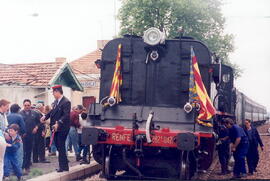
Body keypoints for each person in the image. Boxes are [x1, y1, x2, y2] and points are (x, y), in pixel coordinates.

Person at [41, 85, 71, 172]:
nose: (53, 94)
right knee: (59, 146)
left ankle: (63, 167)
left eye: (53, 92)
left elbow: (66, 115)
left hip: (62, 128)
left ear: (57, 91)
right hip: (55, 127)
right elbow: (51, 112)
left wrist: (59, 123)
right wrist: (45, 117)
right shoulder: (56, 101)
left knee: (60, 146)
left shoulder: (66, 102)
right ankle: (64, 166)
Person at [19, 99, 40, 175]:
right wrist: (21, 133)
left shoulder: (35, 113)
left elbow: (39, 122)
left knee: (28, 151)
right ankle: (22, 167)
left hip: (31, 135)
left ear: (30, 105)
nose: (27, 107)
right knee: (22, 152)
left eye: (28, 105)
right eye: (25, 105)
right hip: (23, 136)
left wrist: (36, 127)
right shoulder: (20, 114)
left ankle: (27, 167)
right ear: (23, 105)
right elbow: (18, 125)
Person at [7, 104, 26, 168]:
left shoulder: (6, 116)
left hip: (8, 136)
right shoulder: (19, 116)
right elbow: (23, 128)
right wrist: (23, 133)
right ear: (17, 110)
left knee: (10, 153)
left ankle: (10, 169)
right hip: (17, 135)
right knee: (19, 154)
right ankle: (18, 169)